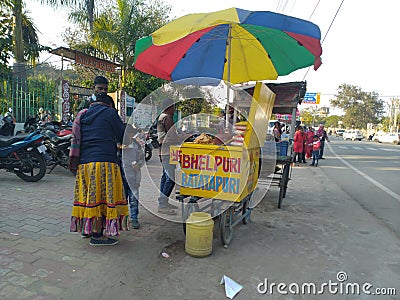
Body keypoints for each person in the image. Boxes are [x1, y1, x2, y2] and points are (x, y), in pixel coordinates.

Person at [70, 92, 128, 246]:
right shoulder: (110, 113)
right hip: (105, 163)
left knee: (92, 198)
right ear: (109, 104)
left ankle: (89, 230)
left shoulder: (83, 115)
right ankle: (97, 236)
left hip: (85, 165)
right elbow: (123, 135)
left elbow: (76, 138)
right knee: (106, 199)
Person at [69, 75, 110, 174]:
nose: (103, 91)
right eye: (100, 88)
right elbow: (78, 122)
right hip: (88, 147)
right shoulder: (86, 103)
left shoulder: (109, 103)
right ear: (93, 88)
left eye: (105, 89)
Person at [157, 98, 180, 215]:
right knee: (170, 179)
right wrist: (184, 137)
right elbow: (171, 137)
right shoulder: (167, 118)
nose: (174, 110)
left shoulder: (161, 117)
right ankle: (162, 204)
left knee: (165, 178)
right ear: (169, 107)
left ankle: (163, 202)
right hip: (168, 152)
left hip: (164, 152)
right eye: (174, 107)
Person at [121, 124, 144, 229]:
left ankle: (134, 218)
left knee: (134, 199)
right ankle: (122, 218)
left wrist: (138, 164)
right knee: (122, 199)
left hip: (133, 178)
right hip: (121, 178)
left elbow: (142, 158)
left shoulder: (136, 145)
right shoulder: (119, 146)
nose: (131, 136)